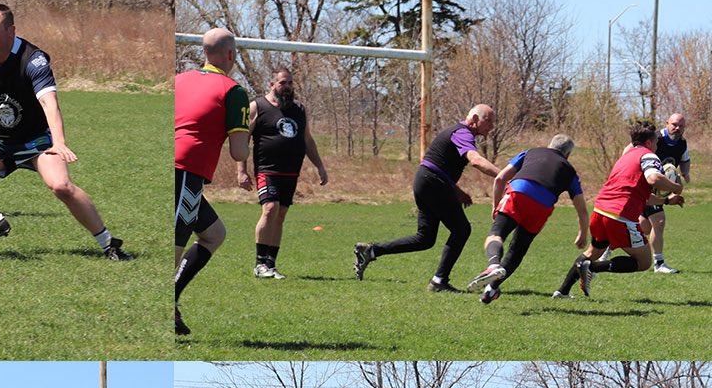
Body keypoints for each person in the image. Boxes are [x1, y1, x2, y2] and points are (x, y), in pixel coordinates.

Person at [0, 3, 133, 261]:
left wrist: (59, 142)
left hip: (38, 142)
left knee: (61, 186)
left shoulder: (32, 59)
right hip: (0, 141)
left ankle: (109, 244)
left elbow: (49, 103)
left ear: (11, 30)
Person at [355, 105, 498, 292]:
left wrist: (457, 191)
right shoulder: (463, 133)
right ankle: (439, 281)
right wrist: (504, 175)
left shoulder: (457, 132)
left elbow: (439, 164)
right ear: (474, 119)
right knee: (461, 230)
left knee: (425, 239)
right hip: (432, 183)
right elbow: (476, 161)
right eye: (489, 121)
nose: (492, 126)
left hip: (426, 181)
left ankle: (371, 250)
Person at [174, 27, 250, 335]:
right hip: (186, 171)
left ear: (203, 53)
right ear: (231, 55)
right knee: (173, 250)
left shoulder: (178, 79)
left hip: (174, 166)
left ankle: (172, 300)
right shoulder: (234, 91)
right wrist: (249, 126)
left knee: (214, 234)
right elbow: (238, 151)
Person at [554, 121, 684, 298]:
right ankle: (591, 268)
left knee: (592, 252)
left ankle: (562, 291)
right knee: (644, 261)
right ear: (648, 143)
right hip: (619, 215)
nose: (657, 145)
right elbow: (653, 178)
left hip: (600, 210)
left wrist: (667, 201)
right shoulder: (648, 156)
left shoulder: (627, 157)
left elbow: (641, 197)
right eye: (655, 142)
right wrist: (676, 187)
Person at [466, 134, 588, 304]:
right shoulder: (570, 171)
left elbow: (500, 178)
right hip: (543, 206)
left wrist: (496, 205)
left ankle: (493, 265)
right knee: (517, 250)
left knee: (496, 234)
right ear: (567, 155)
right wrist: (583, 233)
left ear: (549, 144)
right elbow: (582, 209)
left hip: (519, 191)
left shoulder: (531, 152)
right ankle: (491, 289)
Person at [236, 66, 328, 280]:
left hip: (290, 172)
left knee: (280, 216)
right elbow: (242, 139)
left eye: (289, 83)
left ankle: (271, 264)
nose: (286, 87)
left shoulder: (299, 109)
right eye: (282, 83)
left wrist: (320, 166)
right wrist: (241, 170)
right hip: (267, 170)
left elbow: (308, 141)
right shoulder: (257, 106)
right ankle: (259, 264)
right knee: (270, 208)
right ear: (272, 84)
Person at [644, 113, 691, 274]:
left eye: (681, 126)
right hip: (644, 186)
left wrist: (685, 173)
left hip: (659, 188)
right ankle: (607, 246)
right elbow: (634, 151)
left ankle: (659, 264)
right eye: (674, 124)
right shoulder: (656, 138)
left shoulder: (682, 143)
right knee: (652, 222)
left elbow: (685, 160)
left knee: (651, 224)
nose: (677, 128)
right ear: (666, 123)